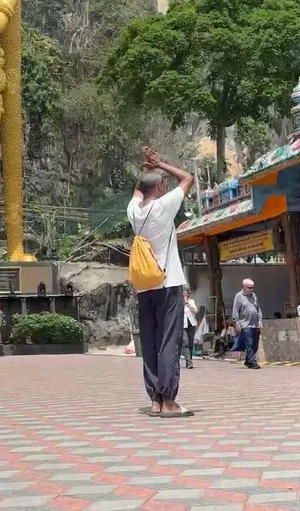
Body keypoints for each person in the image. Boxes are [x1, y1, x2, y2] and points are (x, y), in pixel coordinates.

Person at [125, 147, 194, 417]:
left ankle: (155, 400)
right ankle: (169, 401)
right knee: (169, 342)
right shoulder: (163, 207)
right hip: (167, 283)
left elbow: (137, 191)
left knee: (150, 343)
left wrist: (146, 171)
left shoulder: (133, 211)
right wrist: (160, 164)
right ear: (161, 187)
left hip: (144, 287)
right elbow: (187, 178)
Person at [232, 278, 262, 370]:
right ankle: (253, 362)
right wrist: (237, 322)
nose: (251, 289)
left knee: (255, 345)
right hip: (245, 324)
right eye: (249, 287)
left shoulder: (254, 296)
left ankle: (248, 361)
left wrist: (260, 321)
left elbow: (258, 309)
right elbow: (235, 310)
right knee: (249, 344)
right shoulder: (239, 296)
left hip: (255, 324)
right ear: (244, 287)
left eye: (252, 287)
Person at [182, 289, 198, 370]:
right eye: (183, 294)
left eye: (186, 294)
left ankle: (189, 360)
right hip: (183, 326)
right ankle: (189, 362)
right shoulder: (179, 302)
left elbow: (195, 310)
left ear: (188, 295)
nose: (184, 295)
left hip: (191, 325)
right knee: (185, 343)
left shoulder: (191, 301)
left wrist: (187, 303)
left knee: (191, 344)